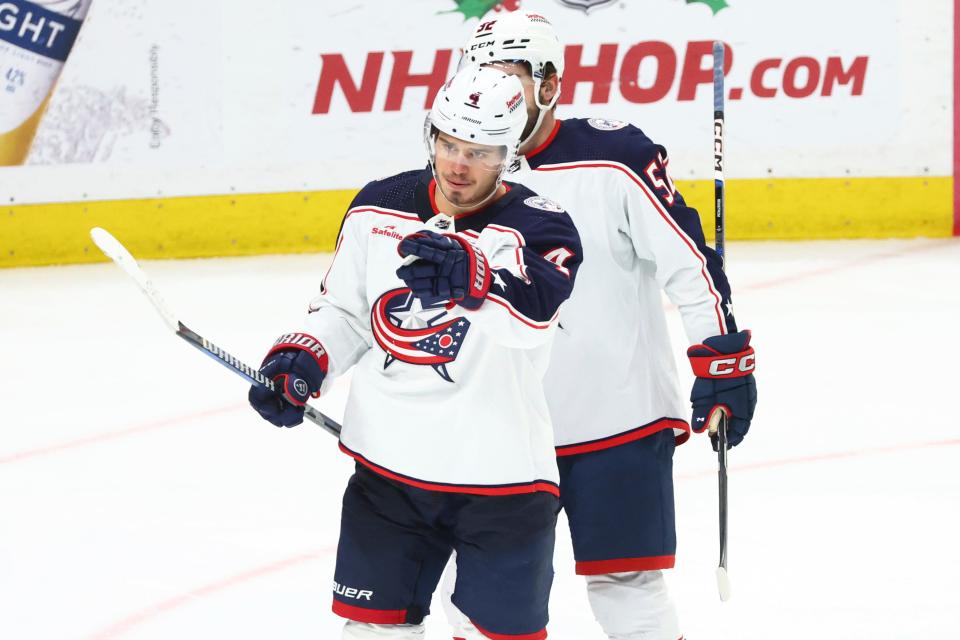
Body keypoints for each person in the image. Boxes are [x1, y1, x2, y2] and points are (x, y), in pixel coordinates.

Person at [446, 11, 758, 640]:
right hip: (504, 429)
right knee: (487, 603)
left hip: (616, 418)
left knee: (628, 590)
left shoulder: (614, 158)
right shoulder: (457, 171)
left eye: (508, 76)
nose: (493, 92)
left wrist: (720, 359)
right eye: (478, 74)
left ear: (550, 84)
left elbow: (689, 264)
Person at [248, 65, 583, 640]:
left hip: (502, 481)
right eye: (448, 143)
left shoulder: (540, 228)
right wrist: (304, 359)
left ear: (508, 155)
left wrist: (473, 280)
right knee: (374, 631)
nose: (457, 163)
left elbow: (532, 320)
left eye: (477, 151)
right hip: (390, 474)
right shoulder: (380, 206)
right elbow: (345, 311)